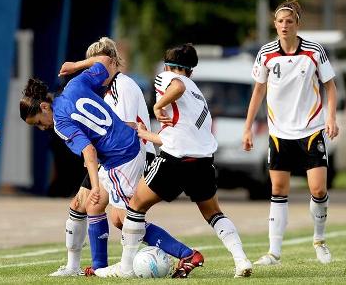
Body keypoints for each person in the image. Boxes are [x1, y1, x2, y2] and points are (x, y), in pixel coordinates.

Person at [20, 54, 204, 278]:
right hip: (123, 149)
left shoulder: (61, 123)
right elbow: (106, 61)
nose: (41, 128)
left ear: (44, 106)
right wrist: (78, 65)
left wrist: (95, 186)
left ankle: (186, 254)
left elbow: (89, 151)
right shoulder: (75, 84)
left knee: (125, 219)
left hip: (121, 157)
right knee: (90, 206)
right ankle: (93, 267)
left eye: (39, 122)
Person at [95, 43, 252, 278]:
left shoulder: (167, 77)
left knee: (135, 207)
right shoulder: (198, 94)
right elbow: (180, 134)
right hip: (202, 162)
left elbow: (176, 86)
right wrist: (146, 134)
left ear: (168, 65)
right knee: (214, 213)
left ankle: (126, 268)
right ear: (193, 70)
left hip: (175, 162)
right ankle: (241, 260)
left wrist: (158, 104)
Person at [48, 37, 158, 277]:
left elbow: (127, 125)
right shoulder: (105, 89)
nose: (91, 72)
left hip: (129, 153)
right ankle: (88, 267)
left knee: (121, 217)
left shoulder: (123, 85)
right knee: (86, 204)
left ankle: (180, 253)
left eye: (92, 67)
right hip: (113, 156)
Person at [243, 0, 339, 266]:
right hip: (278, 132)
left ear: (298, 24)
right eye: (280, 21)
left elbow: (330, 86)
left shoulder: (313, 51)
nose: (284, 26)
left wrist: (330, 117)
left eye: (289, 21)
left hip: (310, 130)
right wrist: (248, 127)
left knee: (318, 189)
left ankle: (319, 240)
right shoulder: (266, 53)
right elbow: (258, 90)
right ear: (274, 24)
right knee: (278, 188)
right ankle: (273, 252)